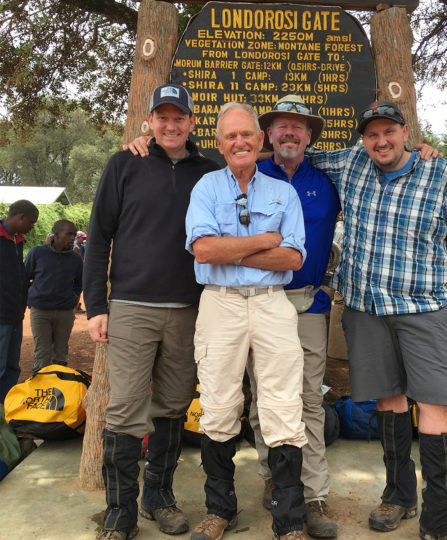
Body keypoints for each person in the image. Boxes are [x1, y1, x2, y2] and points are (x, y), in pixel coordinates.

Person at [304, 101, 447, 540]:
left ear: (406, 132)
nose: (380, 141)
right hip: (367, 311)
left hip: (424, 311)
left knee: (440, 408)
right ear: (362, 139)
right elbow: (294, 149)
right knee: (389, 403)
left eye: (389, 132)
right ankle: (399, 495)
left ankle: (442, 518)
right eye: (371, 134)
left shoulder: (440, 173)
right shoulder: (351, 162)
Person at [84, 83, 220, 540]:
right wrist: (97, 307)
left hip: (188, 309)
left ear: (192, 123)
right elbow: (99, 236)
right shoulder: (126, 163)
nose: (170, 125)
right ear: (150, 122)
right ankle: (118, 511)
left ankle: (157, 497)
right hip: (131, 307)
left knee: (173, 404)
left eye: (178, 117)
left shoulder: (211, 169)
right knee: (124, 408)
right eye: (162, 118)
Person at [185, 102, 308, 540]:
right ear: (219, 145)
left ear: (260, 142)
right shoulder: (205, 188)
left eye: (247, 135)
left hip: (273, 303)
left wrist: (232, 246)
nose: (239, 142)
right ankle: (220, 510)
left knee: (283, 408)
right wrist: (263, 241)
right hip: (220, 304)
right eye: (230, 136)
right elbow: (204, 251)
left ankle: (289, 520)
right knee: (218, 405)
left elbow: (292, 258)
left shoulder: (283, 193)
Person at [246, 95, 340, 538]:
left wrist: (421, 149)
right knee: (263, 397)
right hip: (258, 299)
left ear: (309, 137)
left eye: (298, 127)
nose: (289, 132)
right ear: (268, 133)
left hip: (307, 302)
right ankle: (274, 480)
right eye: (281, 125)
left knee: (308, 399)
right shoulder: (247, 174)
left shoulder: (326, 181)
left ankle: (314, 493)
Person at [25, 220, 82, 373]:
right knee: (42, 353)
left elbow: (79, 283)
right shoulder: (37, 253)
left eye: (74, 235)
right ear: (56, 235)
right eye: (69, 234)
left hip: (65, 312)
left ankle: (57, 391)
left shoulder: (76, 259)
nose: (73, 238)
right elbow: (25, 277)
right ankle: (40, 391)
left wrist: (73, 300)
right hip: (40, 312)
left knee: (60, 353)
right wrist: (32, 297)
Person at [0, 200, 39, 403]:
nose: (32, 227)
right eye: (31, 223)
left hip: (15, 314)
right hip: (2, 314)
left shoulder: (18, 240)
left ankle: (5, 410)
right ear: (20, 217)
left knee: (12, 365)